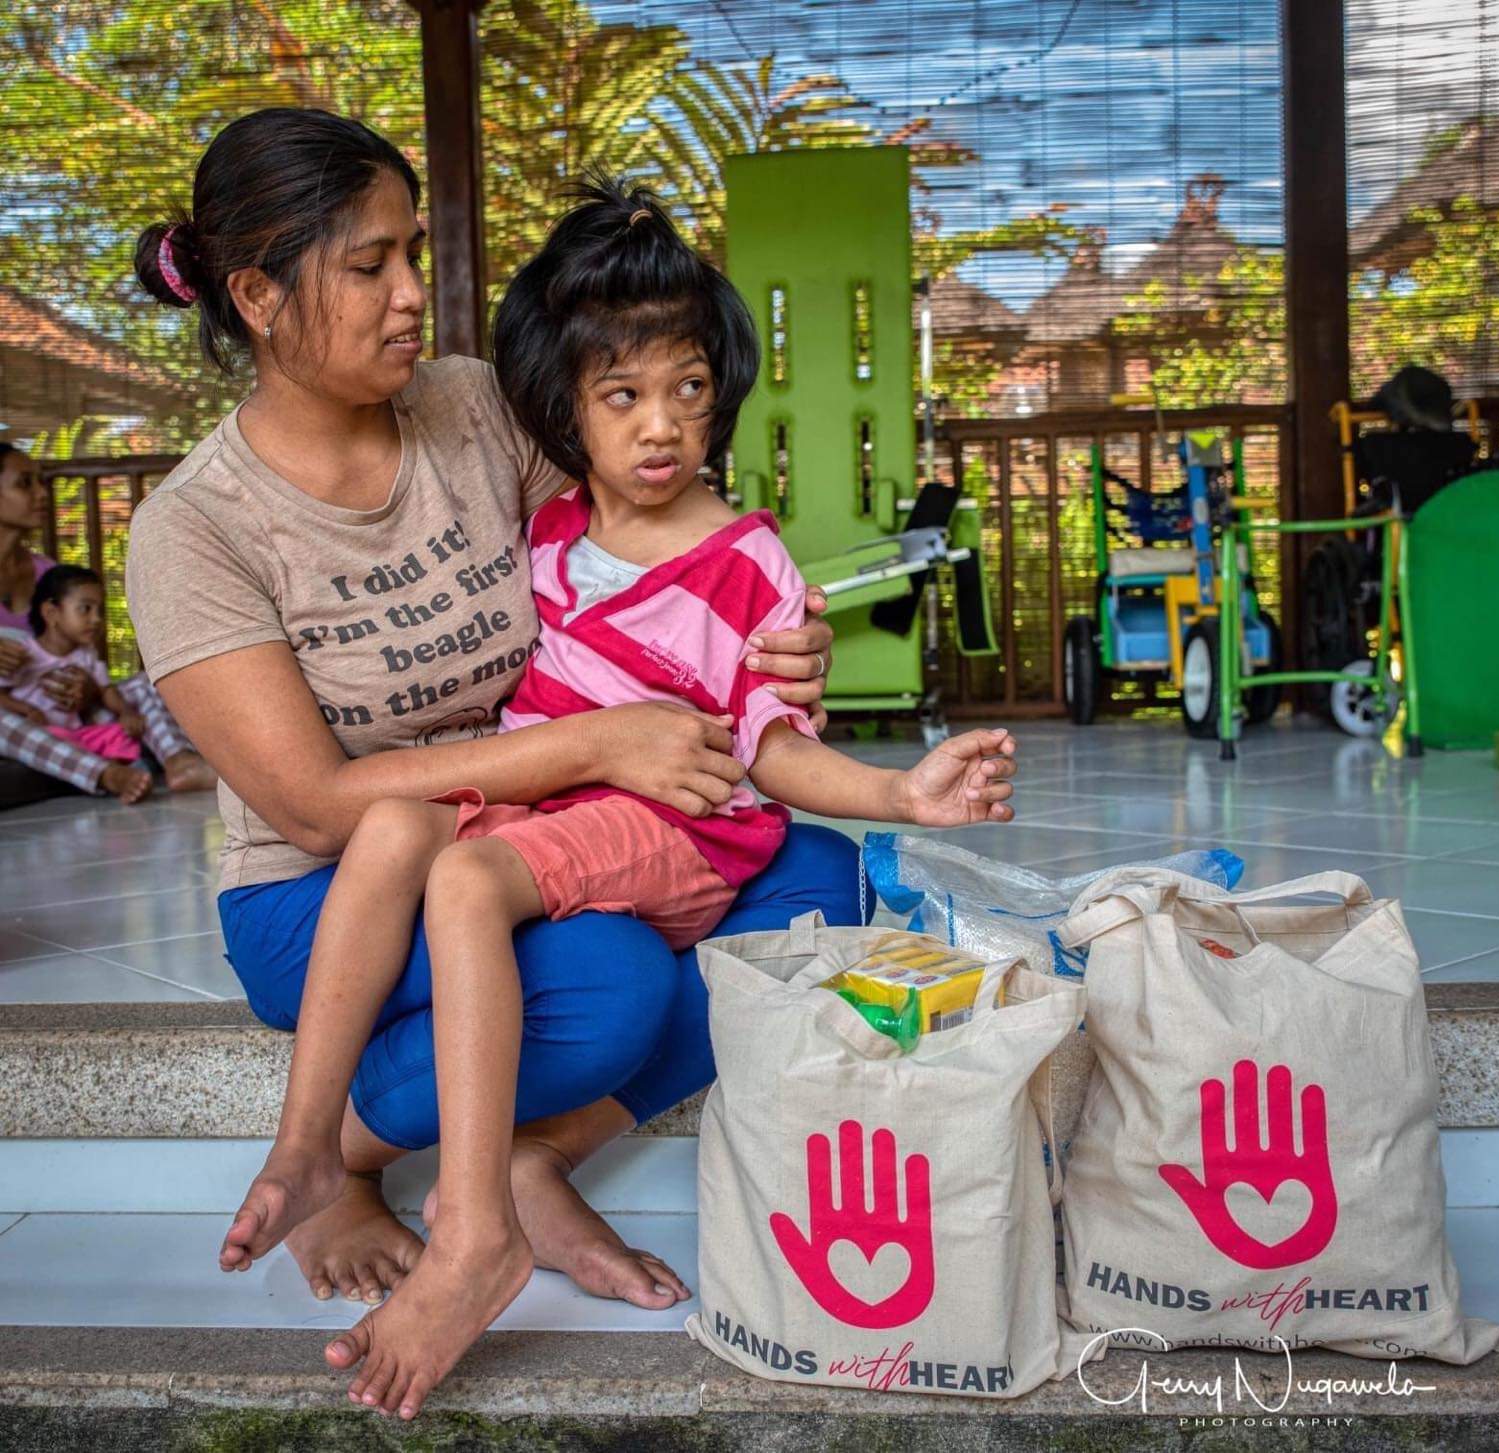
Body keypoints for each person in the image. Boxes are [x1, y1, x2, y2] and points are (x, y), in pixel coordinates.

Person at [216, 178, 1018, 1419]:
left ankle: (474, 1223)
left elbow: (767, 745)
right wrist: (592, 745)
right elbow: (335, 796)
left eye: (688, 391)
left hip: (668, 816)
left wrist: (897, 791)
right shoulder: (549, 531)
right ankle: (312, 1146)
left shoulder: (738, 557)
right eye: (623, 397)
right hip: (538, 802)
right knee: (392, 833)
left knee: (480, 879)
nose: (660, 427)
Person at [123, 108, 877, 1326]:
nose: (412, 295)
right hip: (332, 885)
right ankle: (339, 1156)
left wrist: (769, 637)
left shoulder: (472, 408)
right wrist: (594, 743)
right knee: (607, 981)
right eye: (370, 266)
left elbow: (643, 540)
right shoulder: (195, 528)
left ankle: (540, 1159)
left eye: (412, 253)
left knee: (819, 880)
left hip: (544, 818)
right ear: (258, 296)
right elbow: (312, 806)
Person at [0, 443, 215, 800]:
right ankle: (106, 774)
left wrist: (88, 688)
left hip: (68, 710)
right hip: (16, 710)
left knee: (149, 683)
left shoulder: (48, 574)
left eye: (40, 482)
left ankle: (180, 762)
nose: (41, 493)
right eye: (25, 483)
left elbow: (82, 651)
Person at [0, 564, 153, 801]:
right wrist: (26, 710)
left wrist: (125, 713)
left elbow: (106, 690)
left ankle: (131, 767)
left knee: (121, 726)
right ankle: (109, 773)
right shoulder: (25, 653)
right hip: (43, 731)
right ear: (51, 613)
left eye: (100, 611)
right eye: (85, 609)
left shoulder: (87, 655)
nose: (96, 619)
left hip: (77, 733)